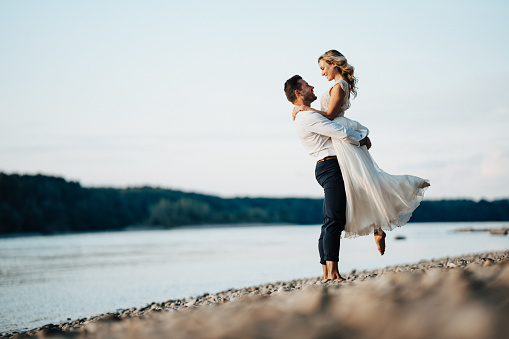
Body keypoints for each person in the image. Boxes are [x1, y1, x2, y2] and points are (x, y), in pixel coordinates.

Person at [292, 50, 429, 255]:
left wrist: (305, 109)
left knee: (363, 181)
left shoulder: (339, 86)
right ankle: (377, 227)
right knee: (360, 182)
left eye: (323, 68)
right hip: (338, 137)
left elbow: (329, 115)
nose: (322, 74)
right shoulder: (338, 85)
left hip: (341, 135)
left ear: (333, 64)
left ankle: (386, 216)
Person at [284, 75, 371, 281]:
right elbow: (340, 132)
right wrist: (363, 137)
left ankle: (326, 272)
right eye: (307, 85)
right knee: (334, 220)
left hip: (328, 166)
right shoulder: (307, 117)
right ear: (298, 92)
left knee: (330, 220)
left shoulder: (305, 114)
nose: (312, 86)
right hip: (331, 166)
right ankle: (332, 273)